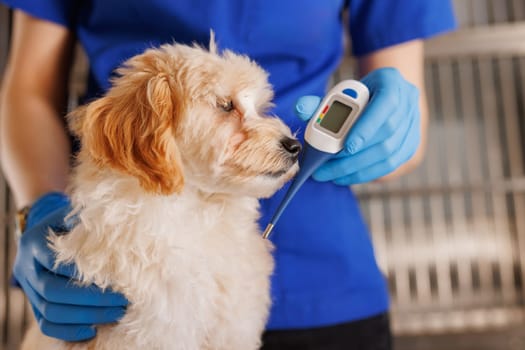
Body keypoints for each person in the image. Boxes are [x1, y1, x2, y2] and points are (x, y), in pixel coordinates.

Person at [0, 1, 456, 349]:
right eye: (226, 108)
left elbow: (402, 97)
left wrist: (390, 131)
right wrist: (39, 207)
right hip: (123, 240)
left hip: (326, 281)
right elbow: (28, 90)